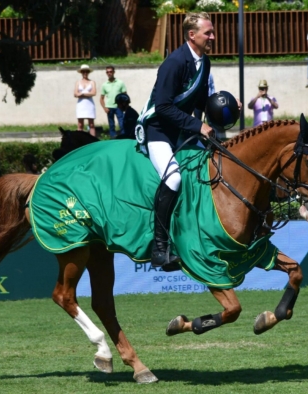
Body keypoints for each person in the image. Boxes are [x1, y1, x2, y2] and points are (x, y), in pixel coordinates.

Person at [137, 12, 217, 267]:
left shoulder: (204, 62)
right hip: (159, 132)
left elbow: (202, 101)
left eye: (212, 32)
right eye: (208, 33)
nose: (213, 37)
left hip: (182, 133)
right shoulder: (174, 62)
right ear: (192, 35)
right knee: (173, 178)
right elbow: (163, 107)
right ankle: (160, 249)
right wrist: (197, 125)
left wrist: (227, 107)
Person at [100, 66, 127, 138]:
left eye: (110, 71)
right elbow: (101, 98)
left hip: (119, 107)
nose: (109, 73)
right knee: (111, 124)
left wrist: (124, 106)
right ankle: (113, 137)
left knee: (122, 123)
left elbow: (125, 95)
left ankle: (123, 137)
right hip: (109, 107)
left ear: (114, 72)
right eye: (107, 72)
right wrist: (104, 108)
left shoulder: (120, 83)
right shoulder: (104, 85)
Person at [75, 64, 97, 137]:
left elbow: (94, 92)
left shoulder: (92, 82)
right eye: (83, 72)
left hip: (89, 104)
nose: (85, 73)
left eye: (86, 72)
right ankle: (79, 140)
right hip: (81, 104)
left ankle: (92, 140)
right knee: (80, 124)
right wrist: (87, 94)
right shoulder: (78, 82)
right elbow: (75, 94)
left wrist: (82, 94)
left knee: (91, 124)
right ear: (81, 73)